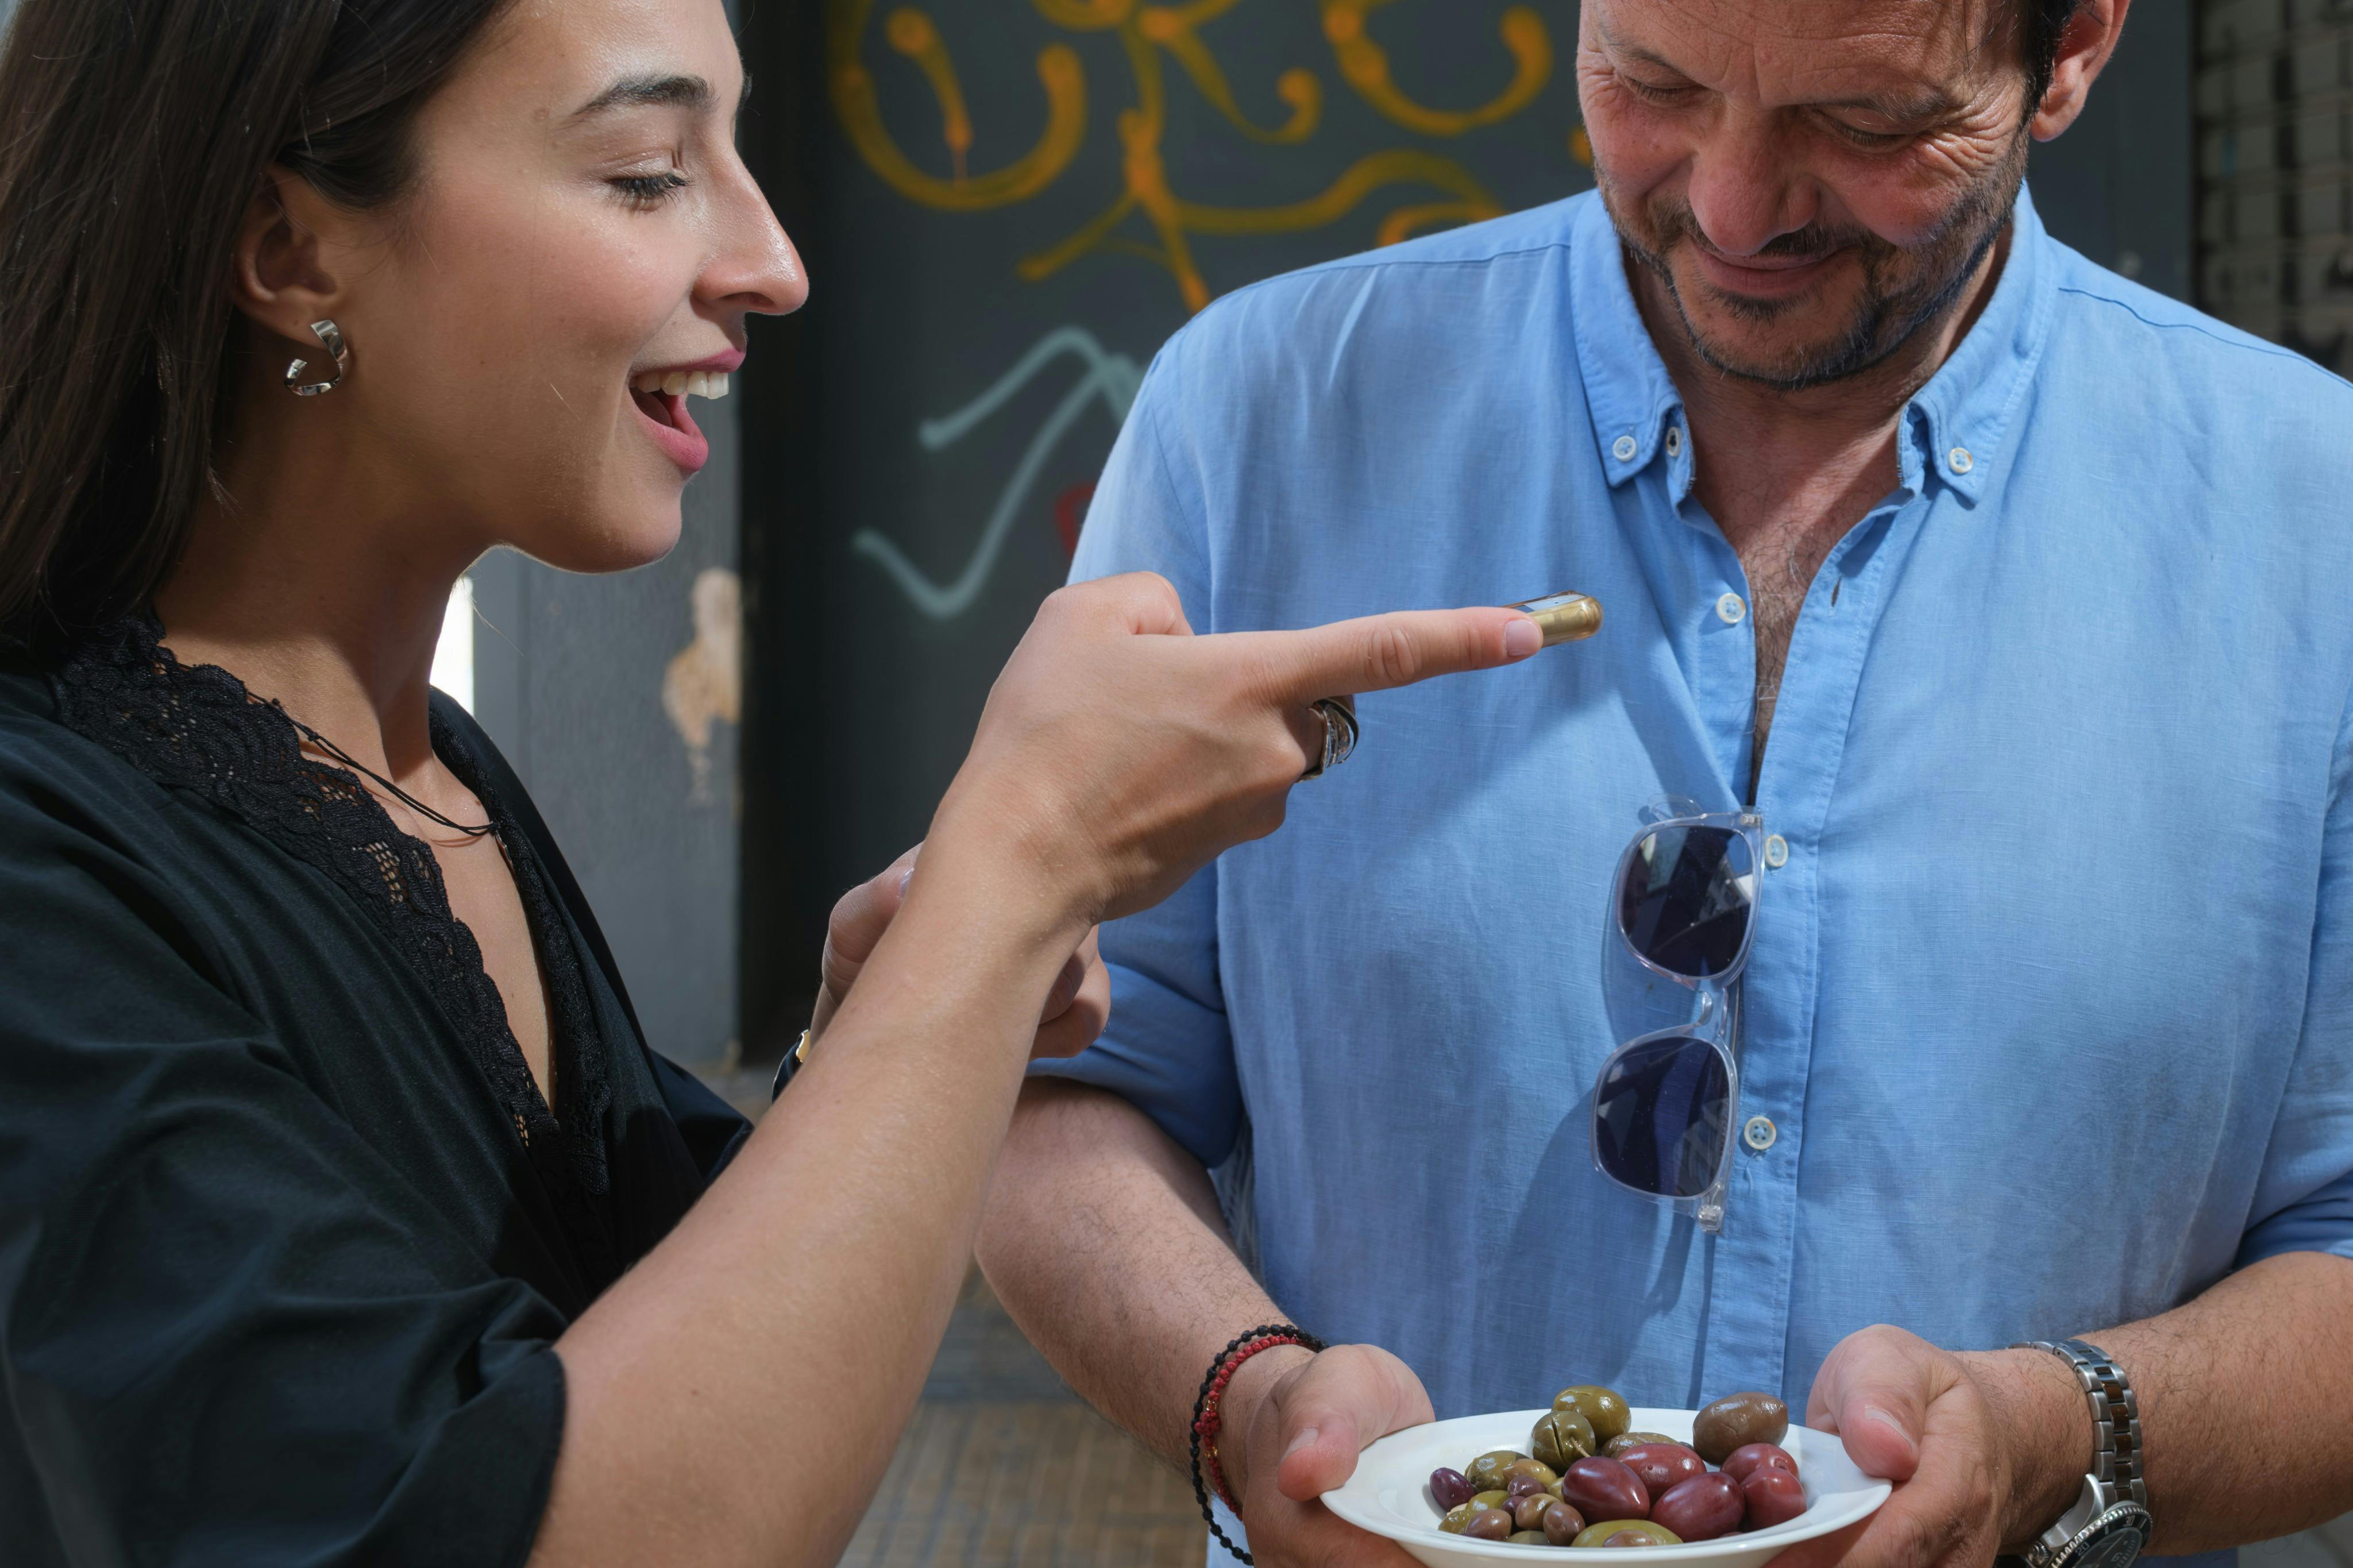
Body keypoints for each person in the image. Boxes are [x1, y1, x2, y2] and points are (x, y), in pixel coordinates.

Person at [0, 1, 1551, 1563]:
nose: (774, 263)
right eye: (645, 171)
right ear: (289, 251)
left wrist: (880, 1028)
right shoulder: (45, 859)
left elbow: (658, 1353)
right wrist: (1016, 864)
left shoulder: (425, 774)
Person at [953, 2, 2353, 1566]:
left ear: (2073, 45)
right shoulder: (1260, 420)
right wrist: (1244, 1399)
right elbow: (1050, 1082)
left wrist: (2067, 1437)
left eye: (1866, 123)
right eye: (1649, 80)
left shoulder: (2317, 517)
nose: (1735, 210)